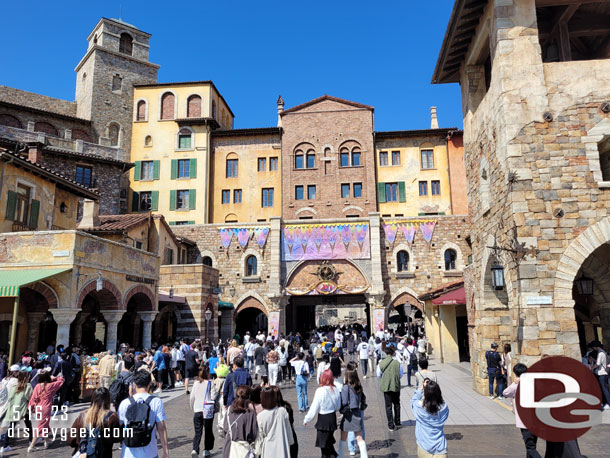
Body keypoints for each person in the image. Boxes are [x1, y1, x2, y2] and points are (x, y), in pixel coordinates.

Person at [118, 370, 169, 458]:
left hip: (128, 453)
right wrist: (165, 451)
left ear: (134, 384)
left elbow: (120, 426)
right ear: (149, 384)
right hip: (150, 452)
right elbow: (161, 428)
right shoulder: (156, 402)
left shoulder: (124, 403)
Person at [68, 387, 122, 458]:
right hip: (103, 454)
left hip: (83, 454)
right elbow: (118, 437)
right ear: (108, 400)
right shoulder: (112, 418)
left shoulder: (83, 416)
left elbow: (70, 439)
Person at [502, 363, 542, 458]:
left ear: (515, 373)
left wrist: (515, 383)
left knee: (530, 448)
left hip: (525, 422)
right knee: (532, 445)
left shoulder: (516, 386)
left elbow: (505, 393)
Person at [304, 369, 341, 458]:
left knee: (324, 447)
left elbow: (314, 407)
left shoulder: (320, 391)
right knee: (329, 444)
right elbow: (338, 406)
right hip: (332, 418)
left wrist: (307, 419)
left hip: (323, 419)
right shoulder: (335, 389)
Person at [410, 380, 449, 457]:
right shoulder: (444, 408)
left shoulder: (420, 408)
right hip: (440, 448)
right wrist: (433, 389)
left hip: (424, 448)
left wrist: (421, 389)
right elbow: (441, 402)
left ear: (425, 393)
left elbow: (413, 401)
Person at [27, 370, 63, 451]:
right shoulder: (51, 385)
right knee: (41, 426)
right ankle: (32, 446)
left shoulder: (37, 386)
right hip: (46, 408)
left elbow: (33, 398)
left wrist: (31, 407)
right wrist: (54, 377)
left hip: (38, 408)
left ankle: (47, 441)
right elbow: (61, 380)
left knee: (44, 424)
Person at [337, 365, 368, 458]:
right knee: (359, 437)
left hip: (348, 415)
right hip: (357, 413)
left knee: (343, 436)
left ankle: (341, 455)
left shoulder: (346, 387)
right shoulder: (358, 386)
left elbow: (344, 401)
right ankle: (364, 455)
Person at [257, 386, 294, 458]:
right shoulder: (282, 411)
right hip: (282, 445)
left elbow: (260, 436)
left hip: (268, 448)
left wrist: (258, 451)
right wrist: (290, 441)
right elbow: (288, 429)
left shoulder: (260, 416)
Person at [221, 385, 258, 458]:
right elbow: (253, 434)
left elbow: (225, 429)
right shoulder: (250, 413)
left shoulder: (229, 410)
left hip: (229, 449)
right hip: (244, 451)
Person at [0, 370, 32, 453]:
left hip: (14, 408)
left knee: (11, 426)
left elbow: (10, 396)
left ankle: (5, 445)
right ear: (26, 377)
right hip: (24, 409)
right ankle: (31, 441)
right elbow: (29, 397)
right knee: (28, 424)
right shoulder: (28, 386)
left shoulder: (14, 386)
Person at [190, 364, 218, 457]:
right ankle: (206, 450)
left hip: (197, 409)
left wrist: (193, 407)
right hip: (207, 410)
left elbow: (192, 397)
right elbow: (213, 397)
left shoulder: (195, 383)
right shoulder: (210, 383)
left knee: (198, 431)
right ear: (208, 373)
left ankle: (195, 449)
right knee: (208, 430)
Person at [377, 346, 402, 432]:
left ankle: (390, 425)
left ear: (385, 353)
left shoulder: (381, 362)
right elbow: (401, 374)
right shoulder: (397, 363)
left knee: (388, 406)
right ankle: (397, 422)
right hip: (395, 386)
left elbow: (378, 374)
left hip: (386, 387)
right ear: (393, 353)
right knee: (397, 404)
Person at [277, 388, 298, 458]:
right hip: (291, 435)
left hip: (282, 438)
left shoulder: (273, 411)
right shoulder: (287, 406)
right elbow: (292, 421)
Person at [591, 340, 610, 409]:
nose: (593, 349)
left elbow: (598, 364)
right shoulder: (602, 352)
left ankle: (608, 403)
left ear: (595, 347)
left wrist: (592, 368)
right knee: (604, 388)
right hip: (604, 373)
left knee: (604, 389)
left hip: (602, 373)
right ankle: (607, 403)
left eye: (593, 347)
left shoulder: (600, 353)